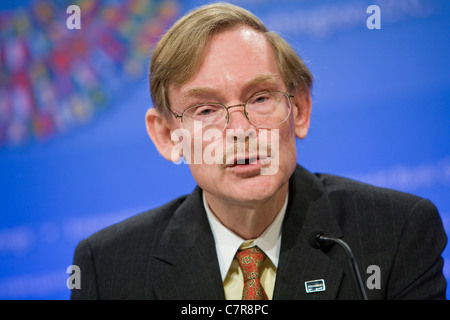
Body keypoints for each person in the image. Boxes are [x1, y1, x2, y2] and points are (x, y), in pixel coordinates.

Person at [71, 2, 447, 300]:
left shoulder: (395, 232)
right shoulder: (109, 268)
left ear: (299, 109)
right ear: (169, 136)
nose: (241, 131)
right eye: (206, 109)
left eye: (261, 97)